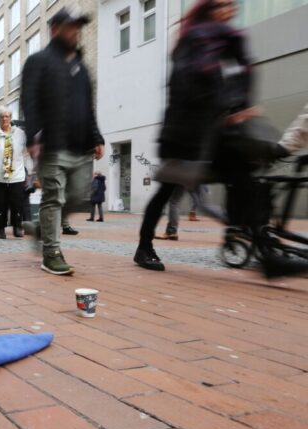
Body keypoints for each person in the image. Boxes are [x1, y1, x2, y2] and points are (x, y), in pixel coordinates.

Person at [134, 0, 257, 271]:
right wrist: (226, 108)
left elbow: (242, 72)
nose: (230, 10)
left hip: (210, 133)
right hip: (183, 134)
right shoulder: (195, 38)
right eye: (223, 5)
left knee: (240, 174)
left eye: (232, 5)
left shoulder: (224, 39)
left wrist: (239, 106)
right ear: (209, 9)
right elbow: (191, 83)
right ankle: (144, 247)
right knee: (166, 190)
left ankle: (246, 237)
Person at [21, 6, 104, 274]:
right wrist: (32, 136)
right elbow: (29, 101)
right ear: (55, 29)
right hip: (52, 144)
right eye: (71, 27)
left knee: (80, 197)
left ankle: (42, 229)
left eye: (78, 27)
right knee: (53, 197)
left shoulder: (82, 68)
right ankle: (52, 253)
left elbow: (88, 107)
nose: (76, 32)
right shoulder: (38, 61)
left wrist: (97, 136)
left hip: (82, 145)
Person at [0, 107, 29, 239]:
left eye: (7, 116)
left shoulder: (20, 133)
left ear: (10, 118)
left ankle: (17, 227)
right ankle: (0, 228)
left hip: (17, 174)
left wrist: (31, 172)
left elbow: (26, 153)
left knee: (17, 202)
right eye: (2, 117)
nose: (5, 119)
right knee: (0, 203)